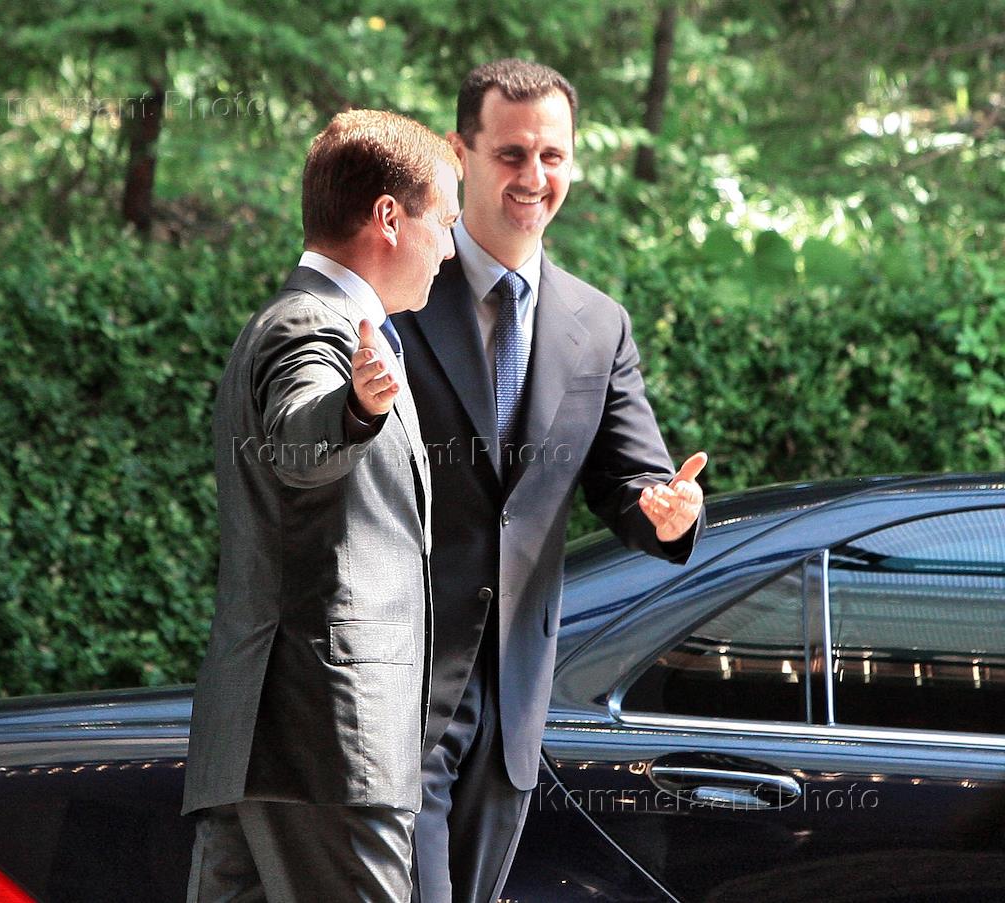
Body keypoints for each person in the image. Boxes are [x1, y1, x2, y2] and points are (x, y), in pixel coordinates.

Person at [391, 59, 707, 903]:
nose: (535, 176)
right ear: (460, 152)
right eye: (512, 154)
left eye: (553, 155)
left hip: (513, 702)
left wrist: (669, 513)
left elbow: (633, 481)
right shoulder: (397, 295)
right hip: (401, 682)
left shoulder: (598, 324)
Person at [182, 108, 461, 903]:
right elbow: (299, 440)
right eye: (444, 222)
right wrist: (356, 409)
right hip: (327, 751)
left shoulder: (313, 321)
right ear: (389, 218)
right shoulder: (311, 325)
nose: (449, 248)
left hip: (272, 748)